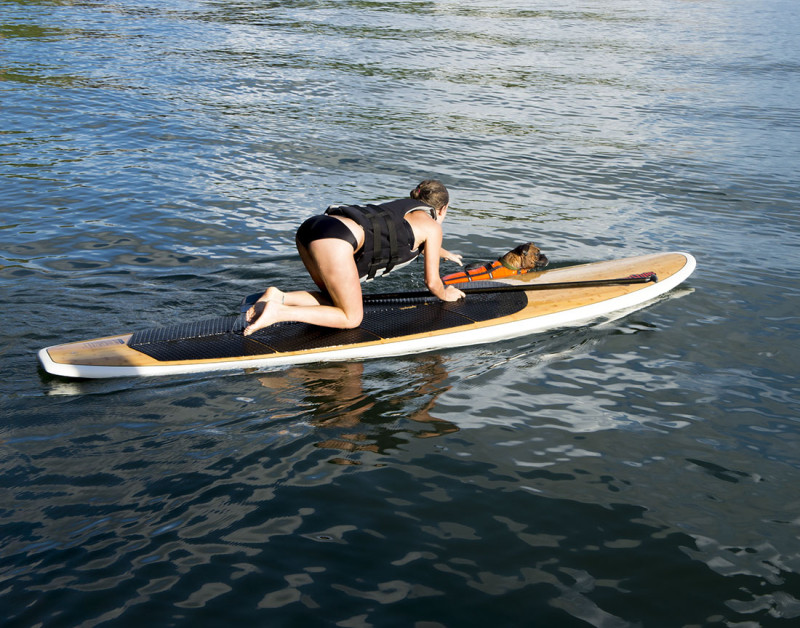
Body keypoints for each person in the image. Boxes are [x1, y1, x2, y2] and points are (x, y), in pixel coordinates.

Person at [243, 180, 465, 336]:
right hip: (336, 239)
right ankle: (279, 312)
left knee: (333, 301)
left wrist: (444, 253)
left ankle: (279, 297)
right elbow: (433, 283)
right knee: (351, 318)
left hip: (313, 227)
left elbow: (410, 239)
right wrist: (447, 294)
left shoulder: (405, 210)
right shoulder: (432, 227)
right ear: (443, 209)